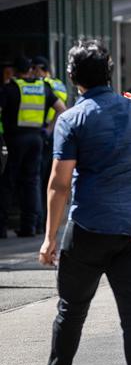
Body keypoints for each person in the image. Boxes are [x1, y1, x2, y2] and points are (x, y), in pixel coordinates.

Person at [23, 40, 131, 365]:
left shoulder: (71, 119)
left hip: (87, 229)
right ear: (110, 72)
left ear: (72, 77)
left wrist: (49, 238)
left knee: (71, 313)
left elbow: (59, 183)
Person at [0, 56, 65, 238]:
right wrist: (47, 130)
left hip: (14, 139)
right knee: (32, 182)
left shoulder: (10, 88)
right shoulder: (42, 87)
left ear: (14, 71)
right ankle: (31, 226)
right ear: (29, 70)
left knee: (7, 181)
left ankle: (2, 227)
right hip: (37, 138)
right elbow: (62, 108)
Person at [33, 56, 68, 233]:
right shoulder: (59, 84)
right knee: (49, 179)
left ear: (42, 70)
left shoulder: (44, 85)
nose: (33, 73)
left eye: (36, 69)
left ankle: (41, 221)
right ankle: (46, 217)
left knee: (41, 179)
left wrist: (47, 129)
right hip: (56, 134)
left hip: (45, 134)